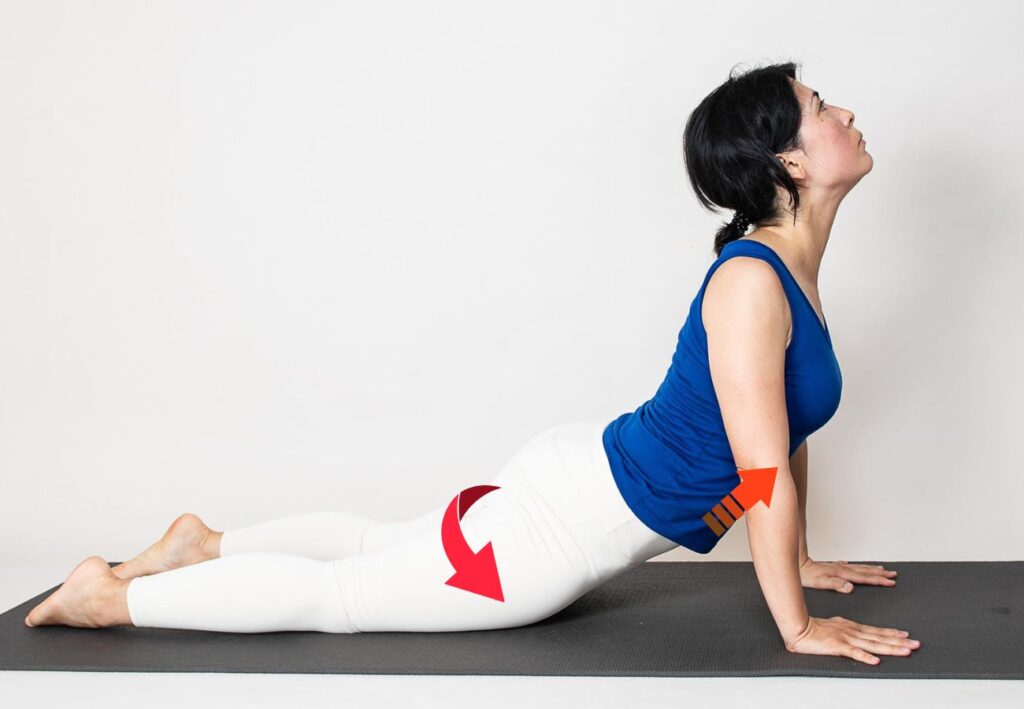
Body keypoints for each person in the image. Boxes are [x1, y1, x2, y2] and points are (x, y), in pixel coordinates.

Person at [25, 61, 920, 666]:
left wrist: (798, 557)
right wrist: (796, 624)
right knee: (343, 598)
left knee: (380, 544)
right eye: (819, 107)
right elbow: (760, 467)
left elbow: (781, 425)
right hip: (557, 533)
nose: (843, 112)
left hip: (576, 481)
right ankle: (109, 600)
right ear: (789, 160)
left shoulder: (786, 269)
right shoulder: (752, 282)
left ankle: (203, 545)